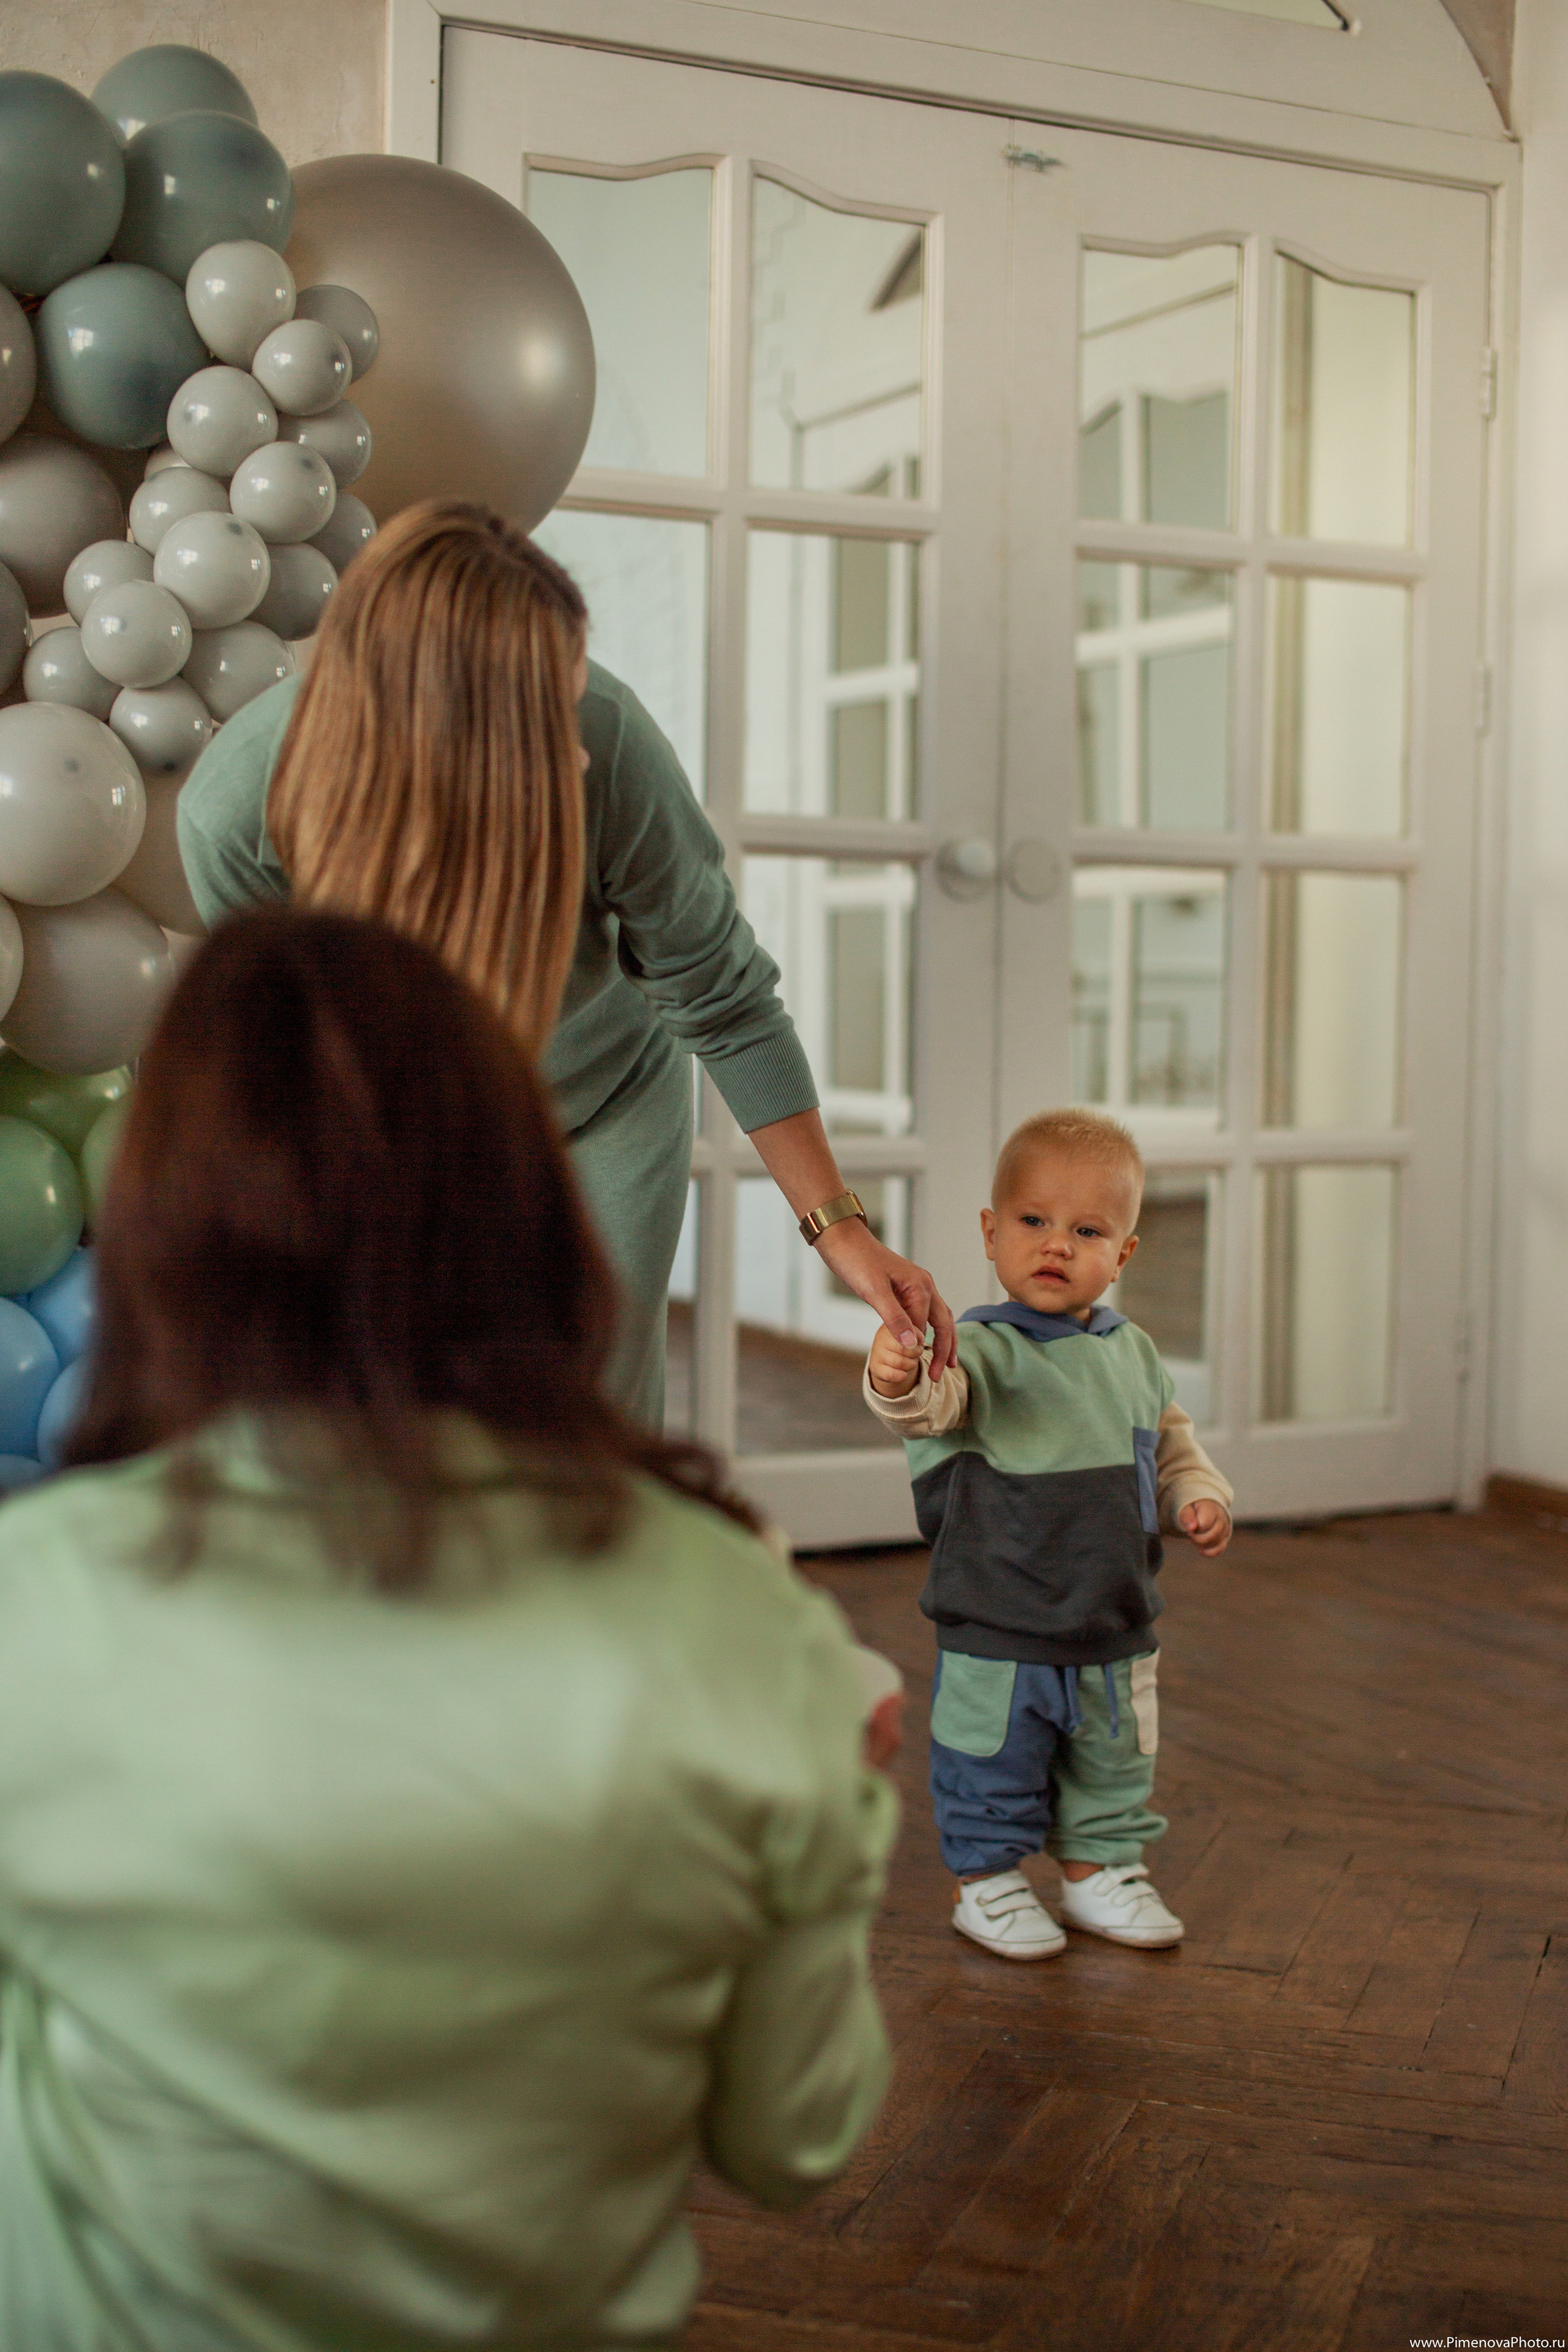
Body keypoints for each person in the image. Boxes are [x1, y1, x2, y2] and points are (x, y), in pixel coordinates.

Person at [0, 909, 897, 2351]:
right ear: (528, 1202)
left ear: (162, 1220)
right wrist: (834, 1813)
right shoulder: (743, 1621)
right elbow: (795, 2138)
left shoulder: (27, 1611)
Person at [176, 500, 956, 1422]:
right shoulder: (236, 815)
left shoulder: (612, 742)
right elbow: (289, 1067)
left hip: (602, 1103)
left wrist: (842, 1232)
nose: (581, 749)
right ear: (446, 737)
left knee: (585, 1418)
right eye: (552, 723)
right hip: (390, 1129)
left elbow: (726, 999)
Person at [861, 1106, 1234, 1961]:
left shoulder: (1131, 1353)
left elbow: (1170, 1440)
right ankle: (985, 1881)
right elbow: (927, 1406)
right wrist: (896, 1373)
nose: (1056, 1245)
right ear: (992, 1232)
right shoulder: (980, 1349)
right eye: (1033, 1222)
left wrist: (1195, 1495)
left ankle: (1100, 1869)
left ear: (1124, 1253)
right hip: (1001, 1622)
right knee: (990, 1759)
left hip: (1113, 1621)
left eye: (1087, 1229)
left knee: (1112, 1761)